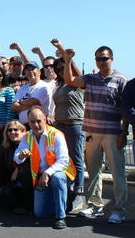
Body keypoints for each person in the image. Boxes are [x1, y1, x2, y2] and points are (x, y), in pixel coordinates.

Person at [62, 45, 128, 224]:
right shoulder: (91, 78)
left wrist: (124, 132)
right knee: (93, 171)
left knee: (117, 172)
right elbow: (70, 80)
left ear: (111, 59)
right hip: (92, 132)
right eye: (97, 58)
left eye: (104, 58)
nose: (100, 62)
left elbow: (126, 109)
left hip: (113, 133)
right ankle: (94, 205)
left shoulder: (121, 79)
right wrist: (68, 60)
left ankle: (119, 209)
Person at [13, 106, 76, 229]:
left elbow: (63, 160)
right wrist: (21, 155)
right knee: (40, 214)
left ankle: (60, 217)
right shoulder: (27, 136)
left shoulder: (56, 135)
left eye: (39, 121)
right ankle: (62, 201)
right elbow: (16, 157)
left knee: (57, 178)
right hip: (41, 177)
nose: (36, 125)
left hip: (59, 173)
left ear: (45, 120)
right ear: (28, 122)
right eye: (32, 122)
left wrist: (47, 173)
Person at [49, 39, 86, 211]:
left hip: (74, 125)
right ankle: (67, 189)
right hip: (60, 126)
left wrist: (61, 49)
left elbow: (70, 61)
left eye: (63, 68)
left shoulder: (77, 83)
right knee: (64, 159)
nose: (60, 71)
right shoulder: (60, 86)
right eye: (58, 69)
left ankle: (78, 192)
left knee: (77, 158)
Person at [0, 120, 31, 213]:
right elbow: (2, 165)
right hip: (11, 178)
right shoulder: (5, 146)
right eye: (9, 130)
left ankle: (26, 205)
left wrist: (17, 169)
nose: (12, 132)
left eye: (16, 130)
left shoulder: (28, 143)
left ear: (22, 131)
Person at [11, 61, 51, 127]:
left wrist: (21, 101)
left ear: (39, 72)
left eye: (32, 69)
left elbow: (34, 101)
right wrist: (31, 106)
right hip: (23, 125)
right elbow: (13, 106)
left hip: (39, 125)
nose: (30, 72)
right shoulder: (22, 88)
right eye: (28, 70)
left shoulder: (44, 86)